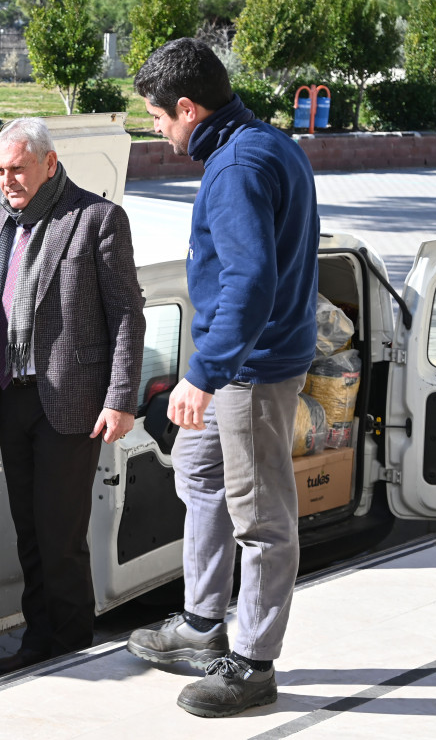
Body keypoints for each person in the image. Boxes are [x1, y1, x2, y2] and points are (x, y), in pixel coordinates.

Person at [124, 38, 319, 718]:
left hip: (252, 373)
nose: (154, 126)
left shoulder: (236, 166)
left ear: (187, 107)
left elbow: (251, 279)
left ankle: (255, 665)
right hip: (238, 360)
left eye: (156, 116)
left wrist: (203, 373)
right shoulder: (266, 142)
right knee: (197, 472)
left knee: (262, 520)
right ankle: (203, 624)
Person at [0, 117, 145, 676]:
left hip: (72, 402)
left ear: (49, 163)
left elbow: (127, 317)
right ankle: (38, 645)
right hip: (15, 394)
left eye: (17, 168)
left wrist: (120, 399)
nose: (8, 180)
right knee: (29, 529)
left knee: (60, 534)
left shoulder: (97, 219)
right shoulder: (4, 225)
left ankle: (71, 650)